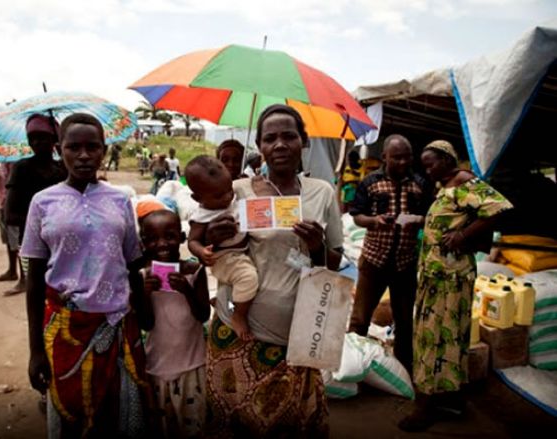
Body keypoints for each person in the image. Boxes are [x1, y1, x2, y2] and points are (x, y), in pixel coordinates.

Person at [203, 104, 344, 437]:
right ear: (260, 146)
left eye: (289, 136)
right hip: (237, 330)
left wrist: (317, 247)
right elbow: (208, 251)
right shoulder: (238, 190)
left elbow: (335, 260)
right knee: (233, 422)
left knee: (286, 424)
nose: (280, 144)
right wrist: (213, 237)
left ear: (303, 141)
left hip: (297, 336)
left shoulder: (322, 192)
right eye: (270, 138)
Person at [21, 113, 150, 437]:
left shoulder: (120, 200)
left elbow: (133, 263)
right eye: (73, 147)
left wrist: (146, 315)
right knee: (72, 418)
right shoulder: (42, 203)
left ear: (104, 150)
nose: (83, 155)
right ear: (58, 149)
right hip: (67, 330)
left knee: (116, 414)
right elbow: (34, 281)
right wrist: (36, 350)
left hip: (118, 326)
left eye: (92, 147)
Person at [398, 140, 512, 432]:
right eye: (424, 165)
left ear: (448, 159)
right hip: (436, 275)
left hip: (450, 277)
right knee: (443, 338)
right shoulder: (447, 185)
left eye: (431, 163)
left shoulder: (463, 180)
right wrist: (422, 221)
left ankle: (425, 407)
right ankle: (451, 400)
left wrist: (463, 236)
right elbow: (448, 220)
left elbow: (499, 209)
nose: (427, 170)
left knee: (435, 339)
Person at [348, 134, 433, 375]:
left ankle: (404, 370)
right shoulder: (370, 182)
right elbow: (357, 215)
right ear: (385, 157)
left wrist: (419, 220)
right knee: (360, 318)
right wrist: (374, 221)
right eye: (397, 157)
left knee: (405, 321)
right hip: (374, 261)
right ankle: (353, 366)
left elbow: (430, 215)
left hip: (405, 263)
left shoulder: (419, 183)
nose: (403, 162)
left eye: (407, 157)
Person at [136, 209, 210, 438]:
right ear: (144, 242)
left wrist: (186, 291)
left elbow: (203, 315)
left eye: (169, 236)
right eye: (153, 239)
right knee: (163, 427)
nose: (162, 244)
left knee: (194, 426)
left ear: (181, 237)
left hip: (192, 365)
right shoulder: (142, 276)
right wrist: (145, 294)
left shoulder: (194, 271)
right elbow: (146, 324)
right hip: (158, 367)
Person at [185, 155, 258, 340]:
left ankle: (223, 301)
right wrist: (202, 251)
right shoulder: (202, 215)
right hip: (224, 258)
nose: (227, 197)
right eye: (219, 195)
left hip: (240, 253)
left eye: (229, 190)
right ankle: (238, 315)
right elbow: (192, 241)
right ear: (197, 197)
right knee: (248, 278)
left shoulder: (233, 198)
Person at [4, 114, 67, 296]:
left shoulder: (63, 169)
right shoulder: (22, 168)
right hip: (34, 246)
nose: (37, 142)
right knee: (39, 294)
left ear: (55, 139)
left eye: (42, 137)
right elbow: (10, 216)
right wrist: (46, 223)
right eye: (32, 138)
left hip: (62, 244)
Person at [0, 162, 22, 284]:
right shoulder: (5, 161)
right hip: (4, 204)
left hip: (15, 204)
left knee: (18, 241)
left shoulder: (19, 163)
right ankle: (12, 270)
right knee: (9, 240)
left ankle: (24, 277)